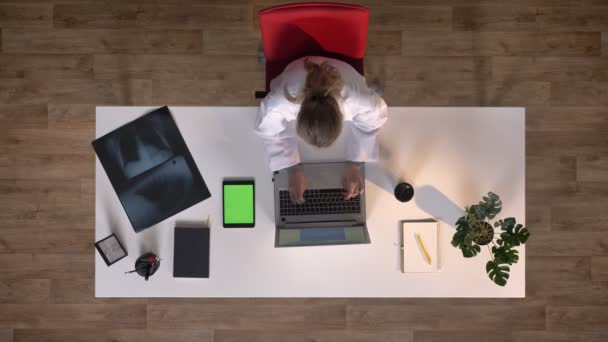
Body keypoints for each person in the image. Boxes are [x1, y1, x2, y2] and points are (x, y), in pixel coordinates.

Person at [255, 56, 388, 204]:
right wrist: (292, 168)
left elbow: (271, 130)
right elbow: (270, 132)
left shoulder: (359, 100)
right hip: (309, 64)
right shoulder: (280, 101)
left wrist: (354, 164)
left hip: (335, 65)